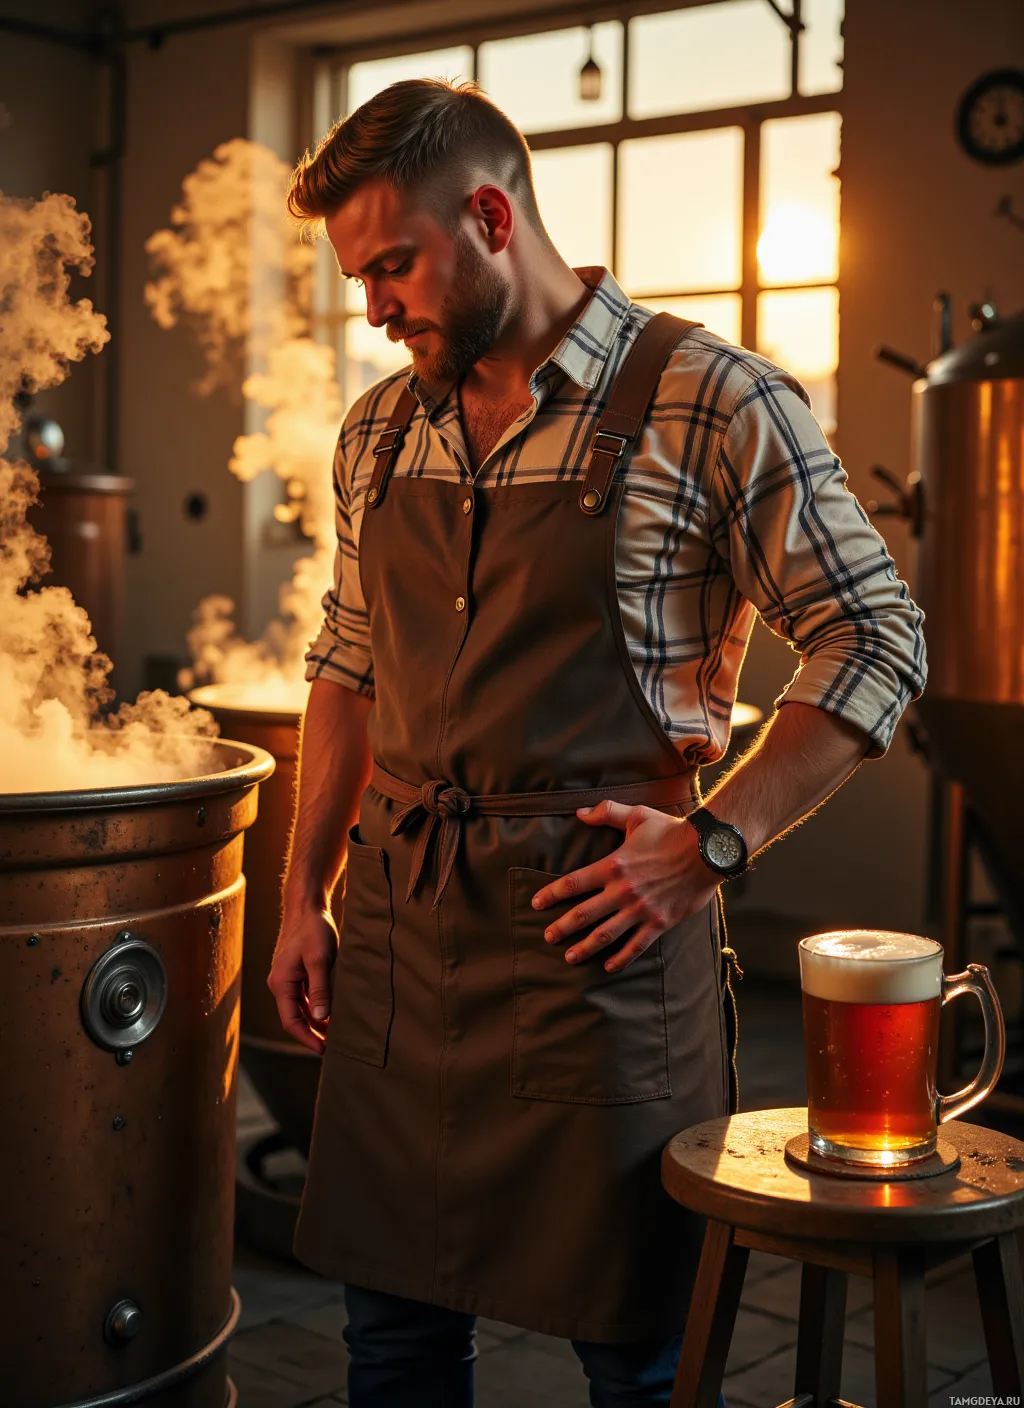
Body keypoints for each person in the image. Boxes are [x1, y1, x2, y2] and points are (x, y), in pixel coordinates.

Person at [269, 78, 927, 1408]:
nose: (376, 307)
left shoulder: (714, 398)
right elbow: (347, 662)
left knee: (636, 1349)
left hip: (605, 952)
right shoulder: (380, 429)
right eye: (361, 279)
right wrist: (303, 890)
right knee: (391, 1338)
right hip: (403, 937)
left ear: (494, 216)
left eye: (393, 266)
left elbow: (876, 639)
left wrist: (713, 843)